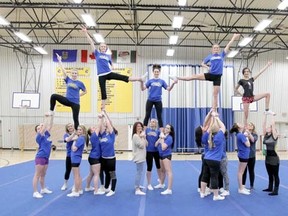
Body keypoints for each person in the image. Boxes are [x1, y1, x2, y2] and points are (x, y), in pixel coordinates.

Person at [172, 34, 240, 110]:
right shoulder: (210, 56)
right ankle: (177, 77)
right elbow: (202, 63)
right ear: (212, 49)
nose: (216, 49)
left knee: (215, 94)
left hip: (217, 77)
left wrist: (234, 37)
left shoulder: (222, 55)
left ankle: (214, 109)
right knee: (194, 76)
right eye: (215, 48)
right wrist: (208, 67)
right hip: (210, 74)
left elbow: (228, 45)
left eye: (217, 48)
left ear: (219, 49)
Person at [82, 27, 144, 110]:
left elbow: (111, 64)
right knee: (103, 90)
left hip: (108, 73)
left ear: (106, 48)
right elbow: (91, 43)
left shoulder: (108, 56)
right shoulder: (97, 54)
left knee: (123, 77)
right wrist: (86, 33)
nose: (103, 48)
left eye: (104, 47)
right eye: (102, 47)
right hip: (101, 75)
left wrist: (112, 66)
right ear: (99, 48)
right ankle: (103, 105)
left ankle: (139, 78)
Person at [49, 53, 87, 130]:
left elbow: (85, 91)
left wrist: (79, 95)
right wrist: (60, 61)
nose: (74, 74)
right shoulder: (68, 80)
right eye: (73, 73)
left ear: (77, 74)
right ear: (71, 74)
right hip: (67, 100)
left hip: (75, 103)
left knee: (76, 119)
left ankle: (77, 134)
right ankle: (51, 111)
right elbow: (63, 70)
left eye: (75, 73)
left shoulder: (80, 83)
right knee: (53, 96)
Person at [234, 60, 275, 126]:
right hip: (246, 98)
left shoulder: (251, 79)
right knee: (246, 115)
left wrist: (267, 65)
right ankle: (245, 128)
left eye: (248, 71)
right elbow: (235, 89)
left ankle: (267, 110)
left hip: (252, 97)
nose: (247, 73)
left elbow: (260, 73)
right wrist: (241, 94)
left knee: (267, 94)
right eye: (245, 72)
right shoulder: (241, 80)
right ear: (243, 73)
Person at [141, 64, 177, 133]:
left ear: (159, 72)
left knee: (159, 116)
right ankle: (144, 131)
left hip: (158, 100)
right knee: (147, 115)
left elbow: (168, 89)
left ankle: (161, 133)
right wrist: (141, 81)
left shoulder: (162, 81)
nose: (156, 73)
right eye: (155, 71)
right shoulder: (150, 81)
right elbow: (142, 88)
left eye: (157, 72)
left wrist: (173, 83)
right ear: (153, 72)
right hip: (150, 100)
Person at [200, 112, 226, 201]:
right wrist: (217, 118)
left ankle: (202, 193)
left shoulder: (207, 135)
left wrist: (211, 117)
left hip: (206, 158)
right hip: (215, 160)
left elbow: (208, 131)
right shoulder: (219, 136)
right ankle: (216, 195)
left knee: (205, 175)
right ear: (217, 129)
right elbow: (223, 127)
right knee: (214, 177)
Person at [32, 113, 54, 199]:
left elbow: (50, 125)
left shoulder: (46, 135)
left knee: (43, 174)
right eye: (38, 128)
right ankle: (35, 192)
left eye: (40, 127)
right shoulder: (38, 136)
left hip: (46, 157)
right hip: (40, 157)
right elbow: (43, 128)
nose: (40, 128)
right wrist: (45, 118)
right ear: (37, 131)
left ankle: (43, 189)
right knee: (37, 175)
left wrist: (52, 116)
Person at [85, 114, 105, 195]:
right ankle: (96, 191)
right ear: (91, 131)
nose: (94, 128)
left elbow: (101, 127)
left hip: (92, 157)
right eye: (92, 128)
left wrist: (101, 119)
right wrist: (100, 118)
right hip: (95, 157)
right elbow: (99, 126)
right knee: (96, 174)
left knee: (91, 173)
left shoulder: (96, 136)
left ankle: (87, 187)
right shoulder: (94, 135)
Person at [99, 111, 118, 196]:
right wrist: (101, 116)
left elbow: (109, 124)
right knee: (106, 173)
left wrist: (105, 114)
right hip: (103, 158)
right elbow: (101, 125)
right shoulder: (103, 134)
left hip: (111, 158)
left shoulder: (112, 135)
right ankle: (106, 187)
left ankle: (113, 190)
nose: (106, 127)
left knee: (112, 174)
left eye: (108, 126)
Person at [230, 122, 251, 195]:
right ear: (238, 127)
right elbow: (248, 145)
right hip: (244, 155)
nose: (241, 123)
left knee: (240, 172)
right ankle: (241, 188)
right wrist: (247, 136)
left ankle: (241, 187)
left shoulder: (239, 134)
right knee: (240, 172)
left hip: (242, 154)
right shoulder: (241, 135)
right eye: (239, 124)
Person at [262, 114, 280, 196]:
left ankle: (275, 190)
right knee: (269, 174)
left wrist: (272, 115)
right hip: (267, 158)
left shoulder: (274, 136)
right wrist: (265, 115)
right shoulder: (266, 135)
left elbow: (273, 124)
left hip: (274, 158)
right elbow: (263, 124)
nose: (267, 128)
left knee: (275, 175)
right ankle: (270, 187)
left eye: (269, 128)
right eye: (268, 127)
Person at [67, 125, 87, 197]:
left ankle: (76, 191)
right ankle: (80, 189)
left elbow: (74, 149)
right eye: (78, 129)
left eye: (80, 130)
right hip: (76, 157)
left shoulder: (80, 138)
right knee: (78, 174)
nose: (78, 131)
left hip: (76, 158)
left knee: (76, 176)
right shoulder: (81, 138)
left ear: (83, 131)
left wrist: (75, 140)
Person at [155, 124, 175, 195]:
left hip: (166, 156)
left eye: (168, 128)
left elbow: (163, 147)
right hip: (161, 155)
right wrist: (160, 138)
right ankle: (161, 183)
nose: (166, 129)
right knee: (162, 171)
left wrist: (162, 139)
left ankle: (169, 189)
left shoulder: (169, 138)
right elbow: (156, 144)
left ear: (170, 130)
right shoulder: (163, 136)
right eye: (166, 127)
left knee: (168, 171)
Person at [145, 119, 162, 190]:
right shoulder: (147, 130)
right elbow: (143, 136)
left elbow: (161, 138)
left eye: (154, 122)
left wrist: (157, 141)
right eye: (151, 122)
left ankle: (161, 181)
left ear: (156, 124)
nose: (152, 123)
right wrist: (145, 140)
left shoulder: (158, 131)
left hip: (156, 151)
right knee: (149, 167)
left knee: (158, 166)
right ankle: (149, 184)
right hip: (149, 151)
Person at [132, 121, 147, 195]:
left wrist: (144, 137)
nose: (140, 127)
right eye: (138, 126)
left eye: (140, 126)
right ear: (135, 128)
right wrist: (142, 138)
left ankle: (137, 185)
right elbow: (141, 145)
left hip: (142, 156)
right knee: (139, 172)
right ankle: (137, 189)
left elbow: (146, 144)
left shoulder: (140, 135)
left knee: (140, 171)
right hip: (138, 157)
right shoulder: (135, 136)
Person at [242, 122, 258, 190]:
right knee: (244, 171)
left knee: (251, 170)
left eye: (251, 125)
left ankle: (252, 185)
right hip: (244, 155)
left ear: (253, 127)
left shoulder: (255, 134)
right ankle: (243, 185)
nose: (249, 126)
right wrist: (246, 133)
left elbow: (253, 140)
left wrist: (249, 133)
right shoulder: (244, 134)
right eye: (248, 125)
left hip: (251, 155)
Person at [61, 123, 76, 191]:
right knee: (68, 170)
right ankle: (65, 184)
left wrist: (75, 135)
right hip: (69, 155)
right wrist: (74, 135)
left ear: (73, 127)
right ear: (67, 128)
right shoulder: (65, 135)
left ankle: (75, 184)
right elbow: (67, 140)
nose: (70, 127)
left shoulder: (77, 134)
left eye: (71, 126)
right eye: (68, 127)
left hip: (76, 155)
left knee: (75, 171)